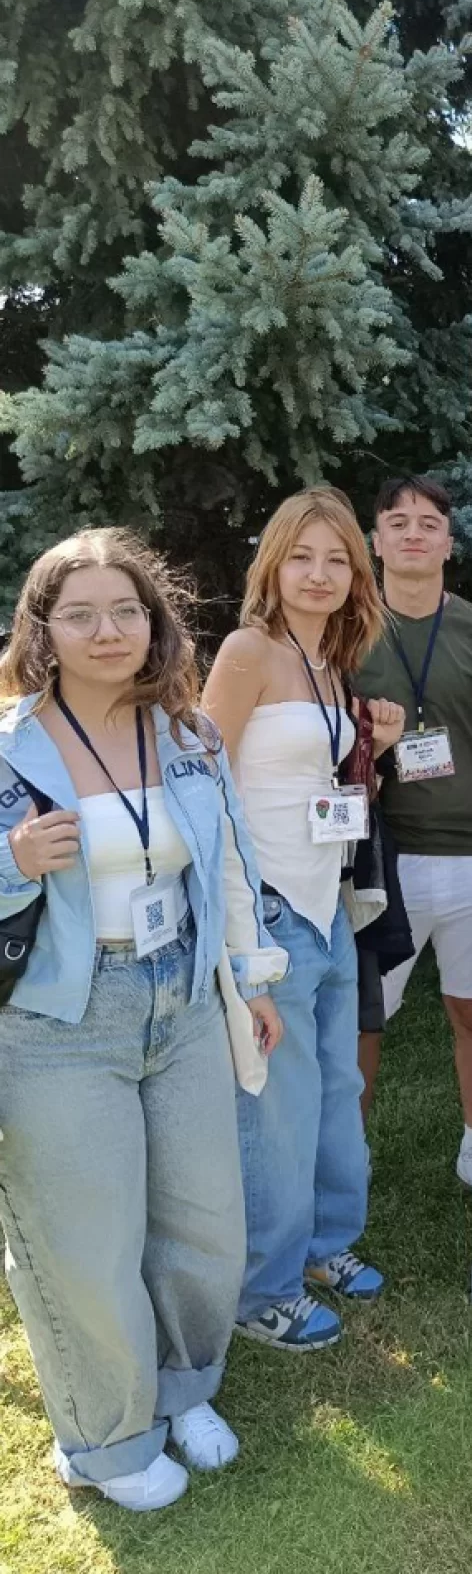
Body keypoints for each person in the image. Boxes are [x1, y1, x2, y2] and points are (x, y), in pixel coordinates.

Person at [0, 529, 286, 1510]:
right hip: (58, 1024)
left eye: (126, 609)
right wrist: (13, 863)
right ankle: (107, 1437)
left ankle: (181, 1389)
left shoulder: (187, 735)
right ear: (41, 630)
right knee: (87, 1240)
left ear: (155, 621)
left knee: (204, 1223)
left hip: (185, 998)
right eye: (80, 614)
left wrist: (250, 977)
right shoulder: (9, 748)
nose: (107, 630)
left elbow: (232, 862)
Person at [203, 487, 404, 1351]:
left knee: (335, 1087)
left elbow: (329, 794)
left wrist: (374, 748)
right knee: (277, 1106)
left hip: (329, 908)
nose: (319, 575)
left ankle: (324, 1247)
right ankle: (263, 1291)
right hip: (271, 910)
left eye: (336, 560)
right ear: (272, 565)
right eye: (301, 557)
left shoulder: (332, 666)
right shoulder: (248, 650)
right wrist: (241, 930)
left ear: (355, 573)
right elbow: (202, 785)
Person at [357, 474, 472, 1196]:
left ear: (448, 543)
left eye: (428, 523)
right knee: (363, 1016)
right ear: (375, 541)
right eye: (397, 522)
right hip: (384, 853)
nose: (413, 533)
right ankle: (347, 1153)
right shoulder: (345, 629)